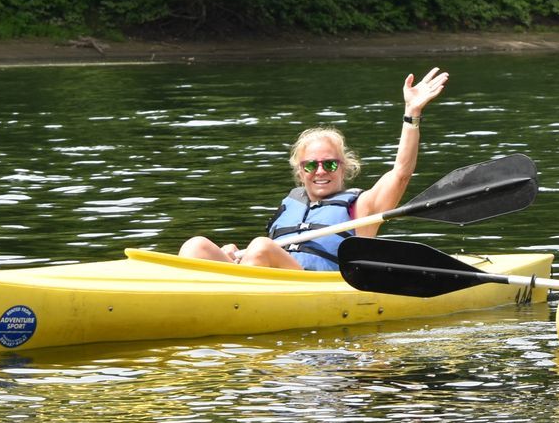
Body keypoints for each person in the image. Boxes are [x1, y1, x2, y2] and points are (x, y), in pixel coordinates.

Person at [179, 68, 450, 271]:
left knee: (262, 247)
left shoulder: (363, 208)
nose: (321, 171)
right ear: (301, 171)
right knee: (197, 246)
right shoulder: (290, 205)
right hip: (264, 276)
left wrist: (411, 113)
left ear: (344, 168)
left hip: (310, 287)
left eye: (330, 163)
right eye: (312, 165)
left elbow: (401, 173)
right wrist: (236, 255)